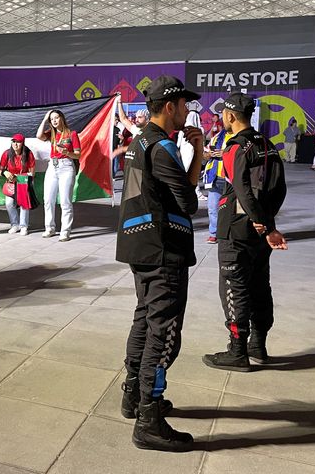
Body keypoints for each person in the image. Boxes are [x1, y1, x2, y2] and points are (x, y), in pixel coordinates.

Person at [116, 76, 204, 452]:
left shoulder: (140, 139)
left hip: (140, 246)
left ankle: (133, 396)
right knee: (164, 333)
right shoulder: (163, 145)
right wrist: (198, 153)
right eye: (185, 104)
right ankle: (149, 420)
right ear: (170, 106)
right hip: (162, 248)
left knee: (143, 319)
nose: (188, 111)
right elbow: (188, 202)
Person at [203, 92, 288, 372]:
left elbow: (240, 189)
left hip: (236, 229)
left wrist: (258, 220)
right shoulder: (268, 145)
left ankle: (237, 350)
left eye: (223, 116)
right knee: (259, 286)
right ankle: (258, 346)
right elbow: (279, 189)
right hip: (260, 233)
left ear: (229, 116)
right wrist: (268, 225)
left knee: (233, 287)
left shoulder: (235, 146)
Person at [37, 109, 81, 241]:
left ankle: (65, 231)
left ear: (62, 118)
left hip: (66, 166)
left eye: (56, 118)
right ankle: (49, 228)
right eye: (52, 119)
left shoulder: (72, 134)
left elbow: (78, 154)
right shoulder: (51, 133)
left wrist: (67, 152)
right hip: (52, 166)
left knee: (65, 202)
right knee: (48, 200)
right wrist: (45, 119)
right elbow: (39, 136)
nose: (54, 121)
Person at [0, 133, 36, 235]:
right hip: (11, 184)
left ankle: (23, 226)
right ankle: (14, 224)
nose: (15, 144)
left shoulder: (28, 154)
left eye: (18, 142)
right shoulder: (6, 154)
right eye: (13, 141)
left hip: (23, 183)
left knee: (24, 204)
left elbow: (32, 173)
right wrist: (4, 172)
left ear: (23, 143)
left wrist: (21, 177)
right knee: (9, 204)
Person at [203, 126, 233, 244]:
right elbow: (204, 155)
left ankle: (232, 233)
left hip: (231, 178)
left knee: (233, 208)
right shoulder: (217, 136)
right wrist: (210, 154)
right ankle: (213, 233)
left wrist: (225, 154)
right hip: (214, 177)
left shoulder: (239, 137)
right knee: (213, 208)